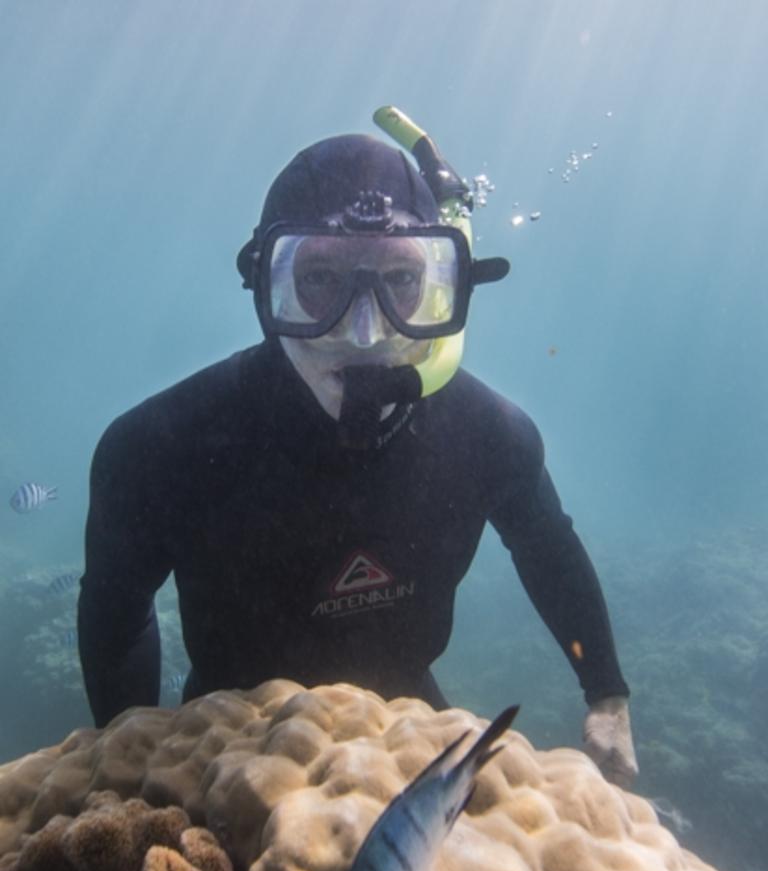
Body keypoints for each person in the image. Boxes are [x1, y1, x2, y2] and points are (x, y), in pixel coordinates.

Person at [78, 121, 638, 788]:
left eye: (401, 279)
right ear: (264, 285)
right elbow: (119, 611)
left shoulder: (492, 436)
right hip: (226, 746)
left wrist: (607, 694)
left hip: (406, 728)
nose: (365, 331)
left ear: (443, 285)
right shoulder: (159, 448)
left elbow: (547, 546)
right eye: (320, 277)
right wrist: (126, 753)